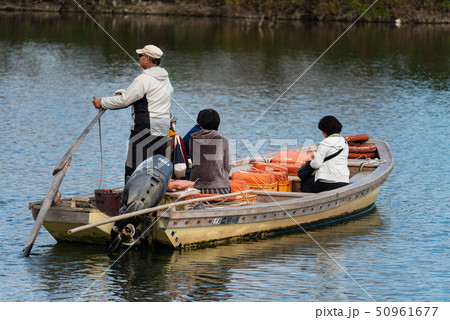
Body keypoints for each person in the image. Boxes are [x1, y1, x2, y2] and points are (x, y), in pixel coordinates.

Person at [92, 44, 174, 182]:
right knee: (156, 170)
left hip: (144, 129)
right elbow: (148, 98)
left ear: (147, 59)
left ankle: (130, 200)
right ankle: (153, 200)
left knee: (133, 169)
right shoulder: (165, 78)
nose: (139, 58)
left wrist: (102, 102)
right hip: (162, 130)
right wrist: (125, 94)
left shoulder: (143, 79)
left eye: (140, 56)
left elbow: (125, 101)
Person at [300, 115, 350, 193]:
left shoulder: (324, 144)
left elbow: (316, 164)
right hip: (344, 181)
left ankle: (309, 201)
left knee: (305, 181)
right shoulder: (344, 142)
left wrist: (311, 161)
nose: (322, 133)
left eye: (322, 131)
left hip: (327, 182)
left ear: (326, 131)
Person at [189, 109, 231, 194]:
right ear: (217, 123)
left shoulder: (192, 139)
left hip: (196, 188)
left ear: (200, 122)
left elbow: (195, 161)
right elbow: (228, 166)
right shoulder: (222, 140)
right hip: (219, 188)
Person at [166, 113, 188, 178]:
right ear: (171, 124)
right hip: (171, 175)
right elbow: (184, 160)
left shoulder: (150, 136)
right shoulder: (176, 138)